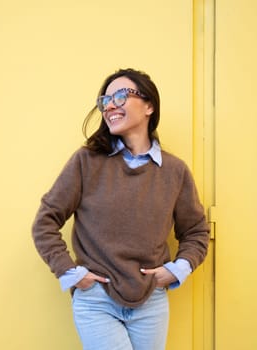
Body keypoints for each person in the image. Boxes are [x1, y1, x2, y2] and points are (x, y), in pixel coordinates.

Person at [32, 68, 210, 350]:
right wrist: (71, 273)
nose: (110, 105)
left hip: (151, 300)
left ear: (149, 105)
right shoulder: (87, 161)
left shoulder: (175, 171)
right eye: (105, 100)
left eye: (120, 96)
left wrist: (178, 269)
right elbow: (45, 222)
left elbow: (197, 231)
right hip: (97, 299)